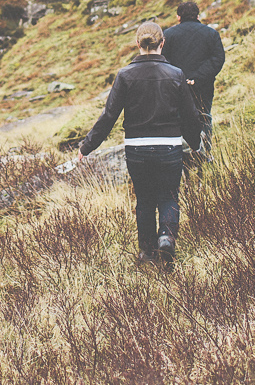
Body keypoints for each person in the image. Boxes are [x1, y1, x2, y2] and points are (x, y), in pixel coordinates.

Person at [77, 20, 205, 268]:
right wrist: (196, 143)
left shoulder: (125, 75)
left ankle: (147, 254)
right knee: (169, 197)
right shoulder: (176, 74)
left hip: (137, 148)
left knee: (145, 200)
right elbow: (190, 116)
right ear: (162, 43)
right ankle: (166, 238)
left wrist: (87, 146)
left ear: (137, 44)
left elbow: (109, 116)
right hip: (169, 146)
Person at [162, 0, 225, 153]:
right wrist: (197, 77)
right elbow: (218, 59)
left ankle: (182, 156)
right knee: (203, 117)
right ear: (197, 15)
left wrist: (179, 78)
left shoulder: (168, 35)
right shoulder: (211, 33)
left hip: (176, 87)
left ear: (178, 17)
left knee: (178, 119)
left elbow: (163, 61)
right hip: (203, 87)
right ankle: (204, 153)